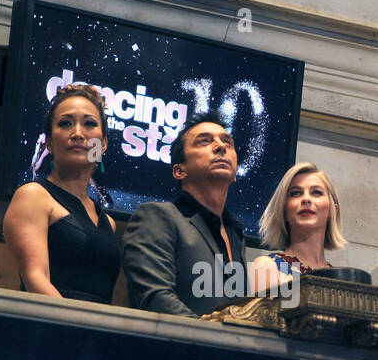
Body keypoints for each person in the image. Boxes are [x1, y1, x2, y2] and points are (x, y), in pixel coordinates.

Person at [2, 84, 120, 305]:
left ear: (103, 144)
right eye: (66, 124)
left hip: (99, 333)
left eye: (89, 124)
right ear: (49, 143)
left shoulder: (108, 222)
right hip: (51, 331)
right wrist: (79, 327)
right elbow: (35, 279)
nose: (77, 133)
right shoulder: (33, 196)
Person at [121, 112, 246, 316]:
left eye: (227, 142)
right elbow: (154, 298)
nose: (220, 146)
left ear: (234, 174)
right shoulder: (156, 216)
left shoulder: (237, 235)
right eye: (204, 141)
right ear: (180, 171)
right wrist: (213, 340)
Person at [250, 162, 347, 293]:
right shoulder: (266, 267)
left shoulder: (341, 281)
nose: (306, 199)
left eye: (316, 192)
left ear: (332, 211)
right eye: (296, 193)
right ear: (283, 210)